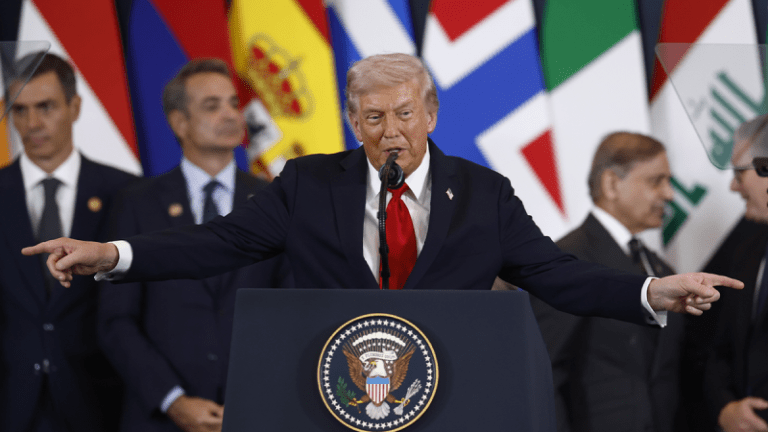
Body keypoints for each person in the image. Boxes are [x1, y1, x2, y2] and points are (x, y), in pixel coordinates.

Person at [24, 53, 739, 341]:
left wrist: (650, 291)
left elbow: (555, 274)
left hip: (448, 393)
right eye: (372, 117)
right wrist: (110, 253)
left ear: (430, 114)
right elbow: (217, 243)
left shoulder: (483, 194)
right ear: (352, 120)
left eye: (403, 114)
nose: (390, 131)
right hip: (327, 394)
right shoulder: (307, 184)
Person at [97, 59, 291, 432]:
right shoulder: (136, 204)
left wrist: (252, 397)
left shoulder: (275, 200)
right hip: (161, 420)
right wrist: (172, 400)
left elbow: (290, 312)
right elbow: (115, 320)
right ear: (179, 123)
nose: (230, 114)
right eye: (211, 106)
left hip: (253, 414)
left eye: (233, 103)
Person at [0, 53, 136, 432]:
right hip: (11, 404)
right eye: (20, 109)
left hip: (102, 403)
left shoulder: (127, 193)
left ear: (74, 107)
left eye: (45, 107)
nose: (32, 123)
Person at [528, 133, 685, 432]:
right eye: (656, 181)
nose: (669, 194)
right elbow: (542, 373)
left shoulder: (660, 268)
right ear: (612, 184)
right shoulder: (566, 262)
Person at [705, 114, 768, 432]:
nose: (733, 186)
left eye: (738, 173)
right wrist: (726, 409)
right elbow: (721, 350)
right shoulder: (746, 252)